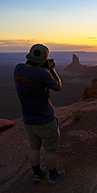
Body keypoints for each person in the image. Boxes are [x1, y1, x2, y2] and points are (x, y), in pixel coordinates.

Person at [14, 44, 65, 184]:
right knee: (50, 149)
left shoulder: (18, 69)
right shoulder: (43, 73)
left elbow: (31, 73)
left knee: (34, 147)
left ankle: (37, 174)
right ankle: (53, 176)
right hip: (45, 120)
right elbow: (58, 86)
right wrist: (52, 70)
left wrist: (43, 67)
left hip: (28, 120)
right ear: (43, 60)